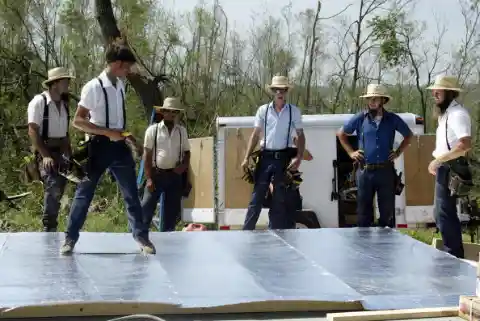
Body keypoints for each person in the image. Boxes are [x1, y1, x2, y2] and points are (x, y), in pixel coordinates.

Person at [61, 42, 154, 255]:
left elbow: (118, 122)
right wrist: (106, 132)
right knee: (84, 193)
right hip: (99, 146)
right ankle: (70, 238)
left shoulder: (120, 85)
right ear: (118, 64)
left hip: (120, 146)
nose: (129, 71)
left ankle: (141, 238)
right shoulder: (93, 87)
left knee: (131, 193)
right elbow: (78, 121)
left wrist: (128, 136)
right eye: (127, 66)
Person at [337, 84, 412, 228]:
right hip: (365, 171)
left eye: (375, 98)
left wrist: (397, 152)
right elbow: (341, 134)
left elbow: (408, 136)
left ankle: (386, 248)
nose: (371, 101)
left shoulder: (392, 119)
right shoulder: (360, 118)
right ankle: (365, 248)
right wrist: (351, 152)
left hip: (386, 171)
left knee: (387, 214)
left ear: (382, 101)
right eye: (369, 98)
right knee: (363, 214)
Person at [241, 75, 305, 230]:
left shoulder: (293, 112)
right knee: (256, 198)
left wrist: (298, 158)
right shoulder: (263, 110)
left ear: (286, 91)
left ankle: (275, 235)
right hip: (265, 158)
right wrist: (246, 157)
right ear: (272, 92)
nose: (279, 93)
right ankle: (246, 232)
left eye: (282, 89)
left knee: (278, 200)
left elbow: (301, 135)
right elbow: (255, 135)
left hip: (282, 159)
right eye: (276, 90)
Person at [427, 75, 472, 259]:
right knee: (441, 214)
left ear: (449, 93)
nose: (435, 93)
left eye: (439, 90)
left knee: (445, 213)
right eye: (434, 91)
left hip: (451, 167)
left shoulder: (457, 114)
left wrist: (439, 160)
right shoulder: (446, 114)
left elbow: (464, 145)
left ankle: (453, 255)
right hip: (445, 167)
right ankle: (452, 253)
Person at [27, 67, 74, 232]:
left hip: (61, 151)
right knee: (53, 185)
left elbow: (65, 132)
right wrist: (45, 156)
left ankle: (53, 225)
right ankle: (48, 227)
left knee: (63, 185)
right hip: (45, 150)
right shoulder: (39, 102)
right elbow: (32, 130)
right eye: (65, 80)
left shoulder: (64, 104)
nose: (68, 84)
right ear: (55, 84)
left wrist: (68, 151)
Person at [141, 97, 191, 232]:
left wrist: (183, 167)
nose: (171, 114)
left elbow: (187, 152)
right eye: (168, 111)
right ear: (163, 112)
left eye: (174, 112)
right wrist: (149, 178)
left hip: (174, 176)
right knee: (145, 209)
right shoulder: (153, 130)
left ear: (176, 114)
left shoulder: (182, 131)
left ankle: (167, 243)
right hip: (157, 175)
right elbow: (147, 155)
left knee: (171, 214)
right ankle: (140, 238)